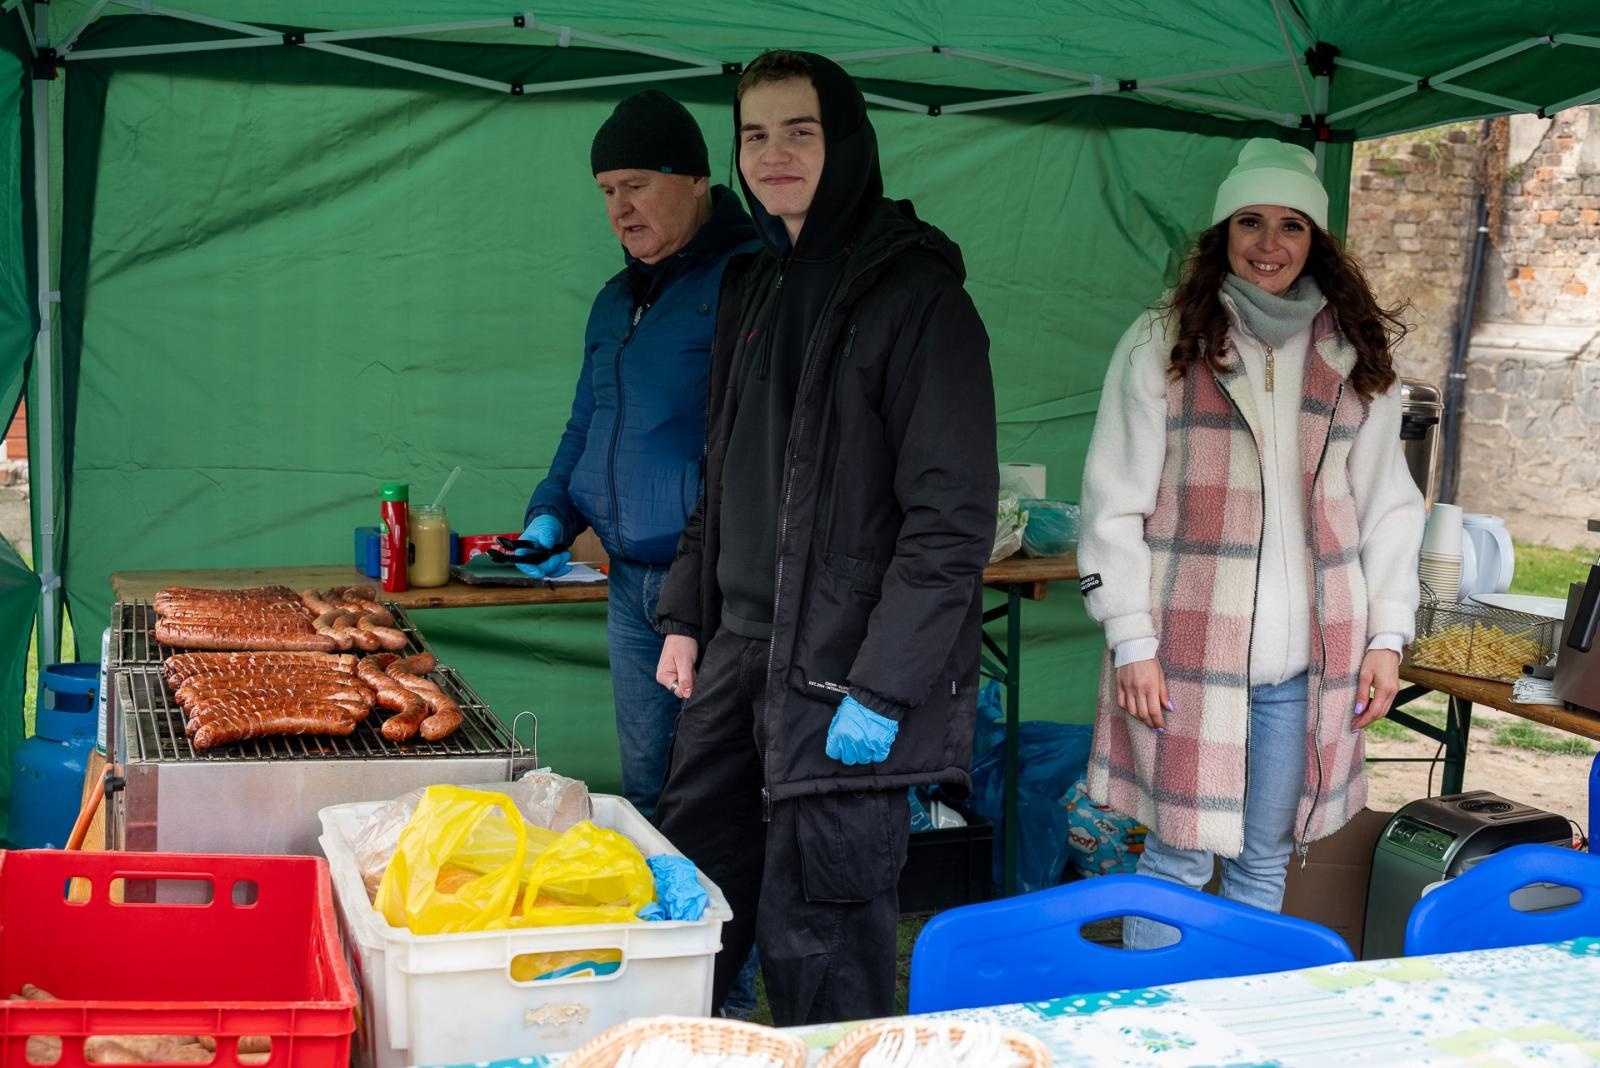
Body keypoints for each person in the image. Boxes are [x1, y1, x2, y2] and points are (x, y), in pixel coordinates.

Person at [650, 50, 998, 1024]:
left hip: (841, 676)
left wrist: (884, 687)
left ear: (845, 143)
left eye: (798, 131)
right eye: (754, 135)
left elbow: (950, 522)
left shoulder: (917, 298)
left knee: (825, 934)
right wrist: (685, 616)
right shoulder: (751, 285)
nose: (774, 154)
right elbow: (723, 473)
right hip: (735, 658)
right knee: (694, 906)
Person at [1077, 138, 1426, 947]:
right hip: (1185, 655)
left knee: (1266, 860)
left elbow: (1390, 507)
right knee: (1176, 860)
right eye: (1250, 222)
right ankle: (1155, 1026)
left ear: (1317, 241)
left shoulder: (1355, 353)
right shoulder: (1164, 341)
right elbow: (1111, 503)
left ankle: (1232, 1026)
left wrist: (1387, 636)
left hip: (1306, 668)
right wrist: (1131, 639)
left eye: (1291, 227)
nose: (1270, 245)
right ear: (1222, 234)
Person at [518, 90, 757, 820]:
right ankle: (669, 933)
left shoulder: (747, 284)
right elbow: (586, 424)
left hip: (716, 585)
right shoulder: (615, 301)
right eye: (606, 192)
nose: (621, 208)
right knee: (649, 784)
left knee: (719, 790)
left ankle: (729, 937)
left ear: (693, 180)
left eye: (637, 186)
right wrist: (550, 515)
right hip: (629, 588)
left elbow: (748, 451)